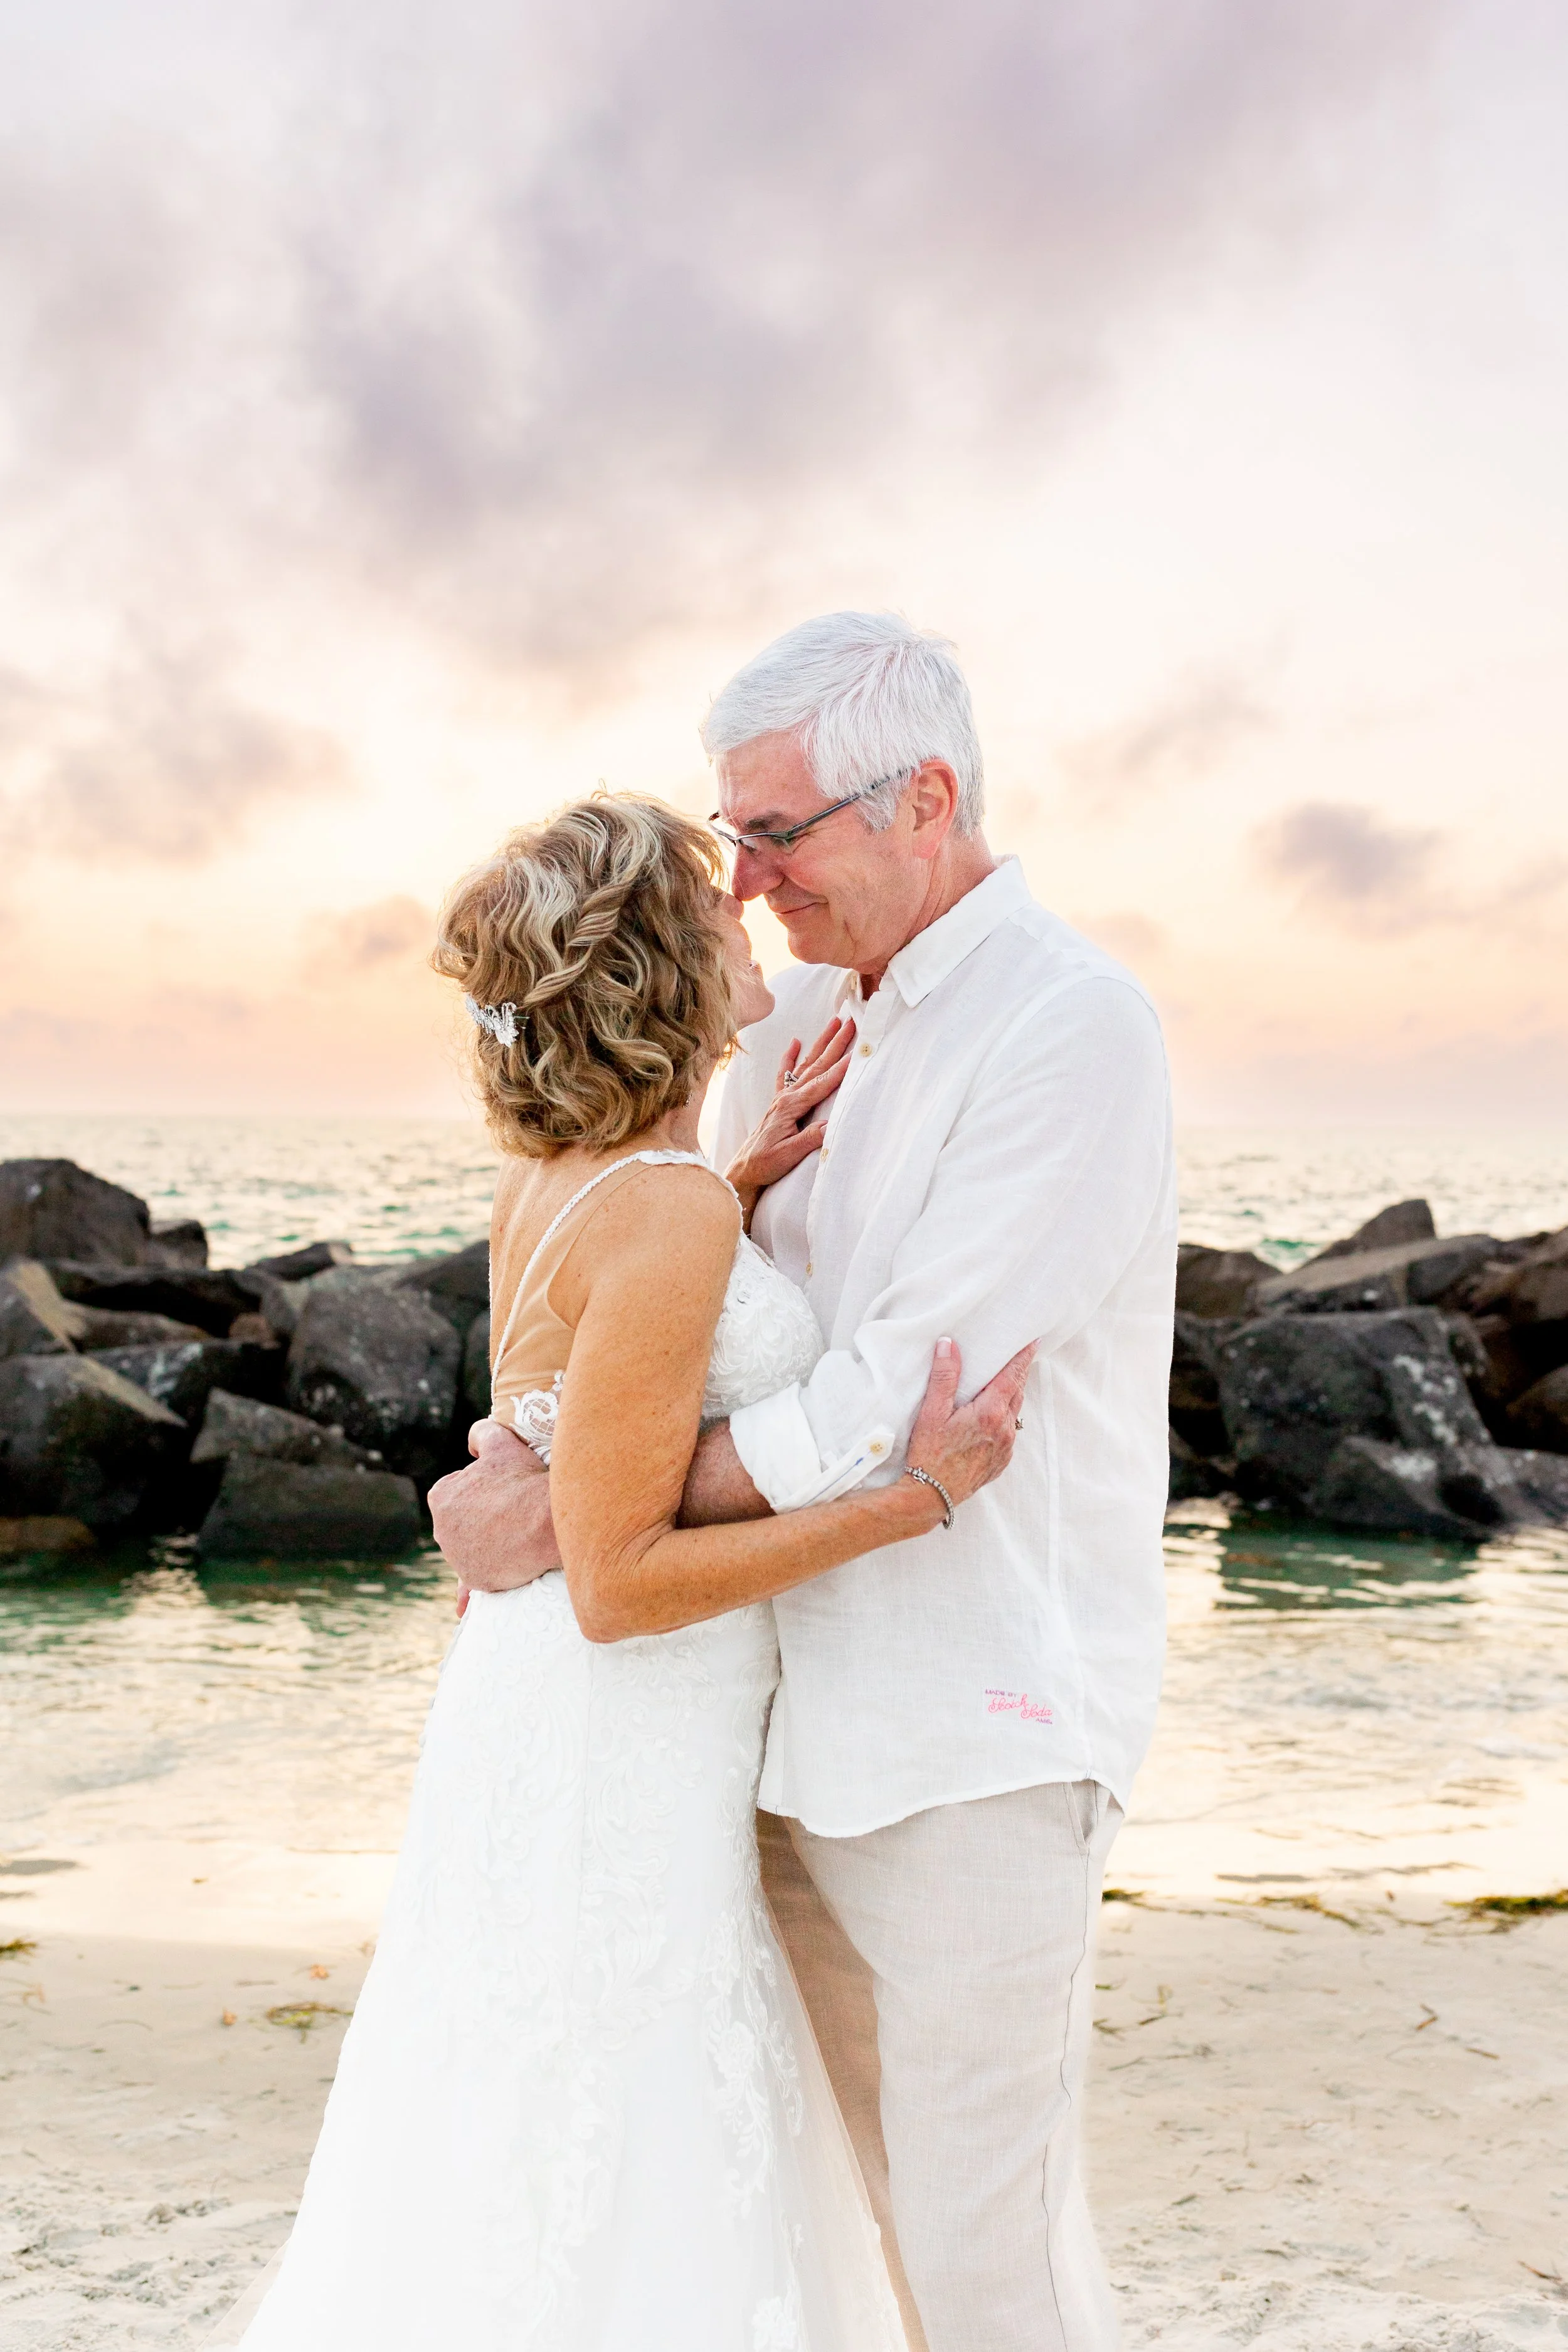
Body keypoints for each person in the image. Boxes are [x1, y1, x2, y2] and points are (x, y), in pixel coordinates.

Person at [437, 613, 1179, 2352]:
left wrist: (574, 1505)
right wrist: (567, 1441)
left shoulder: (1067, 1026)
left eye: (777, 833)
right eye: (733, 836)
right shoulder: (789, 1023)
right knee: (833, 2224)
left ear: (925, 799)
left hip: (969, 1730)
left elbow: (895, 1400)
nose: (748, 880)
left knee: (982, 2251)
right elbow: (668, 1315)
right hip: (747, 1731)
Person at [210, 792, 1030, 2352]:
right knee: (623, 2110)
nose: (747, 915)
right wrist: (910, 1499)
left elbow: (583, 1395)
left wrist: (741, 1186)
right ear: (662, 959)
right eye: (715, 903)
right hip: (619, 1730)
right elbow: (619, 1581)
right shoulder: (662, 1205)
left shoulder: (572, 1174)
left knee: (519, 2110)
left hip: (534, 1716)